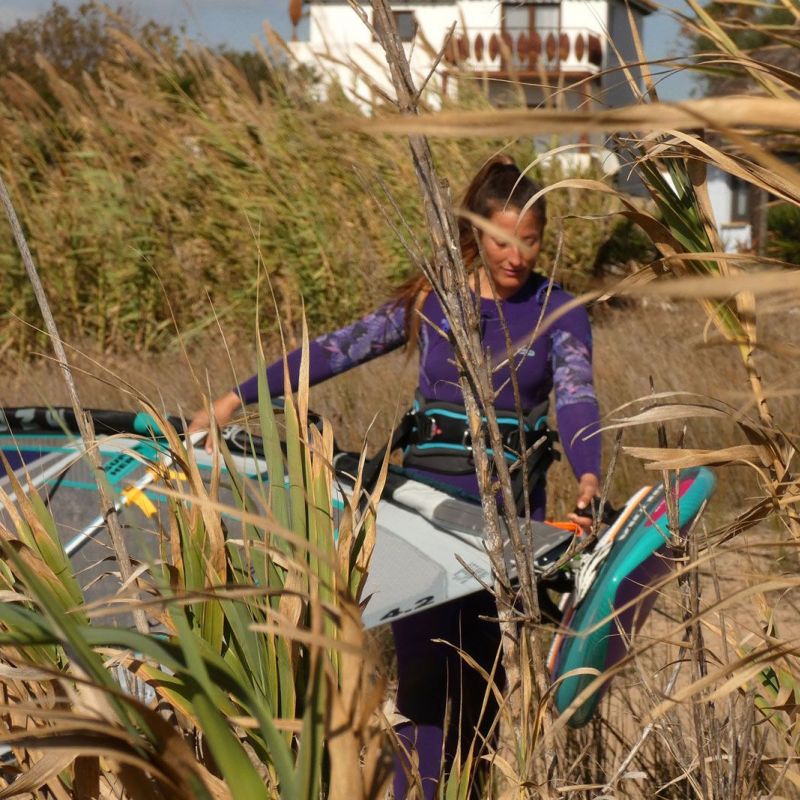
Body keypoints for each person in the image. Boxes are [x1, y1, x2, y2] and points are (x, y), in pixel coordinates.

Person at [189, 155, 601, 799]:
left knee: (482, 685)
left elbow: (576, 396)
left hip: (505, 520)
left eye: (531, 240)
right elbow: (337, 349)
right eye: (502, 240)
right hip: (419, 513)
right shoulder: (434, 300)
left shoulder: (561, 310)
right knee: (425, 678)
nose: (517, 256)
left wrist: (589, 474)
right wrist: (235, 399)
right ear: (477, 234)